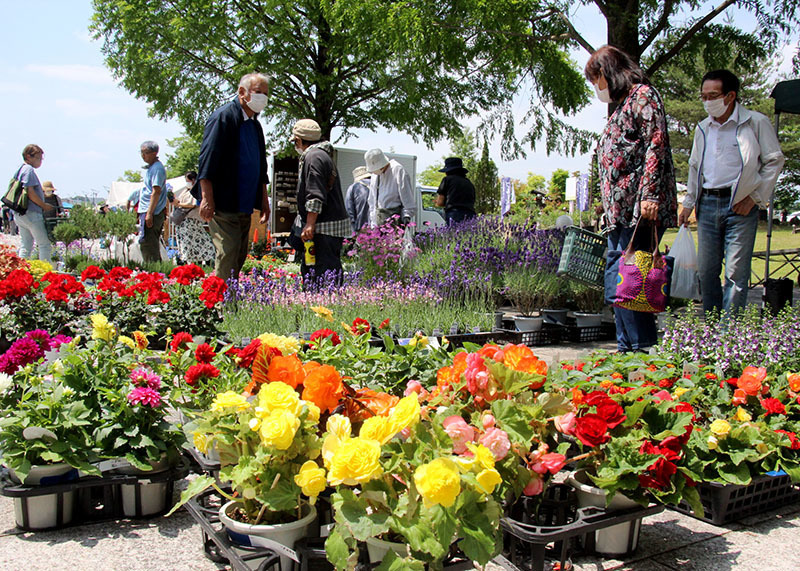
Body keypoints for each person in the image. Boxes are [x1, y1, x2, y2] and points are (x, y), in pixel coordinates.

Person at [585, 45, 678, 353]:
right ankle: (626, 350)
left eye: (596, 79)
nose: (597, 88)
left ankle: (642, 352)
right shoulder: (623, 105)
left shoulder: (643, 96)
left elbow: (656, 143)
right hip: (619, 213)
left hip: (640, 209)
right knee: (619, 285)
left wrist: (650, 194)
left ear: (607, 73)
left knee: (635, 280)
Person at [678, 69, 785, 316]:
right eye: (703, 96)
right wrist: (688, 202)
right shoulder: (703, 128)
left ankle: (730, 332)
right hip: (707, 203)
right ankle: (713, 326)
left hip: (740, 204)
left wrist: (755, 199)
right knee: (706, 270)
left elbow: (774, 160)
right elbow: (695, 166)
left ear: (730, 96)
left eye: (713, 95)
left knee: (736, 271)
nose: (707, 101)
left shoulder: (755, 122)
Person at [197, 72, 271, 280]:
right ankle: (219, 304)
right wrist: (206, 197)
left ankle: (231, 300)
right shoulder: (224, 117)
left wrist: (264, 201)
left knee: (239, 254)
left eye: (266, 94)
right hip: (223, 202)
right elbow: (207, 159)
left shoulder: (255, 125)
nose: (262, 98)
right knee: (228, 252)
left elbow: (261, 167)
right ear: (242, 93)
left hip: (244, 203)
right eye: (258, 93)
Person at [290, 119, 350, 285]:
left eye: (295, 141)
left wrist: (309, 224)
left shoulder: (313, 157)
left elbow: (314, 194)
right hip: (329, 228)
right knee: (325, 273)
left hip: (323, 229)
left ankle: (325, 306)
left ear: (300, 140)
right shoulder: (322, 155)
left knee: (321, 275)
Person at [13, 144, 54, 263]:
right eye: (38, 158)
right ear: (28, 156)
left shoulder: (20, 169)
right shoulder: (28, 170)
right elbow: (30, 191)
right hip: (31, 213)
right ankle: (46, 274)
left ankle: (20, 273)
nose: (40, 161)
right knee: (44, 245)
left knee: (26, 245)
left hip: (20, 213)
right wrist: (44, 205)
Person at [364, 148, 416, 226]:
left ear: (381, 166)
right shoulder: (375, 176)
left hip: (394, 219)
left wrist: (406, 216)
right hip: (378, 221)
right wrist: (373, 224)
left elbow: (407, 198)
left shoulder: (397, 170)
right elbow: (372, 200)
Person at [174, 171, 215, 266]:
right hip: (184, 221)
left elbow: (191, 204)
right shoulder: (186, 190)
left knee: (201, 241)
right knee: (188, 243)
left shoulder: (197, 190)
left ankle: (205, 259)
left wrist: (179, 204)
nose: (186, 183)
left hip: (192, 221)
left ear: (193, 180)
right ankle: (188, 262)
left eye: (188, 180)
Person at [138, 140, 167, 262]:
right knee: (146, 242)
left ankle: (154, 273)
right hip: (148, 210)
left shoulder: (157, 169)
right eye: (141, 152)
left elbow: (156, 191)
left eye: (146, 153)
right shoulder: (152, 168)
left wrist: (149, 213)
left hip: (153, 212)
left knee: (149, 244)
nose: (143, 156)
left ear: (154, 153)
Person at [434, 157, 476, 224]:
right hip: (470, 214)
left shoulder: (447, 180)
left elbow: (440, 202)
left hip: (454, 214)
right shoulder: (468, 182)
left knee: (453, 233)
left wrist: (436, 202)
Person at [344, 166, 371, 232]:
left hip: (362, 229)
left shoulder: (353, 187)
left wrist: (353, 230)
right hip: (379, 229)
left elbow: (349, 211)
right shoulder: (378, 185)